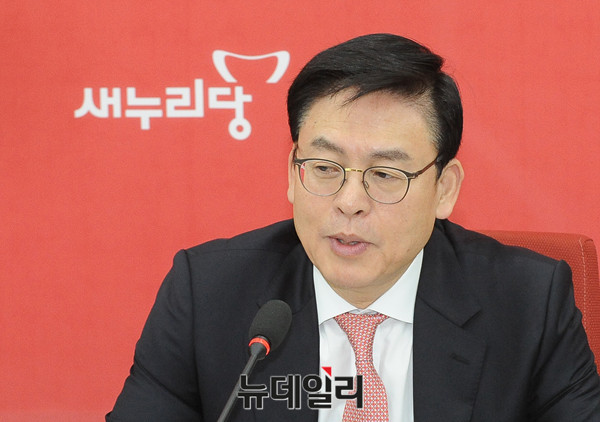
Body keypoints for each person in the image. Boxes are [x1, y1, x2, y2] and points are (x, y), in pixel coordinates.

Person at [106, 33, 600, 421]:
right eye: (325, 168)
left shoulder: (528, 303)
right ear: (292, 174)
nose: (349, 203)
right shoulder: (207, 295)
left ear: (445, 189)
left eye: (385, 175)